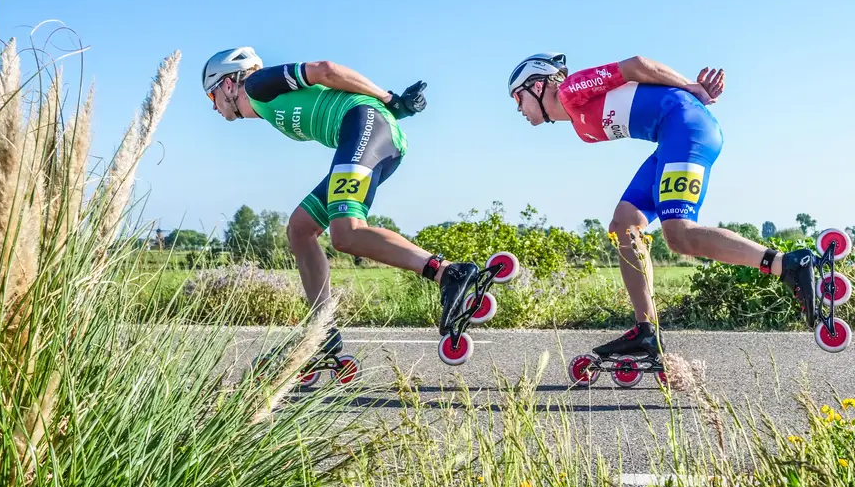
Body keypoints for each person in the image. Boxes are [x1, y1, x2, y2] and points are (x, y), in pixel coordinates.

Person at [507, 52, 818, 360]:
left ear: (537, 85)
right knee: (624, 223)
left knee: (680, 235)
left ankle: (785, 264)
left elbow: (636, 66)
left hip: (687, 130)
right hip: (671, 136)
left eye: (517, 97)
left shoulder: (570, 89)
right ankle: (646, 331)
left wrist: (692, 87)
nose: (517, 107)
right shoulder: (580, 127)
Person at [202, 47, 482, 367]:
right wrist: (393, 106)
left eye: (211, 98)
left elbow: (325, 69)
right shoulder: (266, 106)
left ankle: (447, 273)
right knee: (300, 228)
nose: (214, 107)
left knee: (345, 233)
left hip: (366, 126)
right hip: (369, 134)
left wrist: (391, 100)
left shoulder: (256, 84)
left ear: (227, 85)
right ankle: (322, 329)